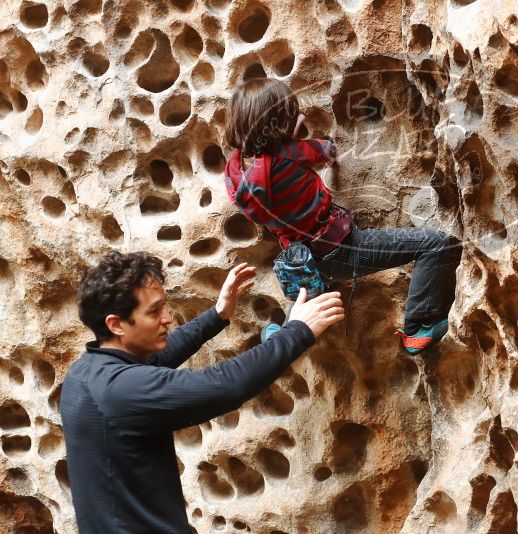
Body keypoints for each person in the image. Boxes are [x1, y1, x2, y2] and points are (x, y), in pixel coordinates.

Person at [61, 251, 343, 533]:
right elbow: (225, 385)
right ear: (116, 324)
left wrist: (217, 315)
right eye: (154, 311)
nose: (167, 318)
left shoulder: (86, 371)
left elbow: (157, 359)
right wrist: (298, 330)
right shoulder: (118, 391)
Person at [223, 77, 462, 354]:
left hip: (301, 261)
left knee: (309, 293)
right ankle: (418, 328)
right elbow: (328, 150)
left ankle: (282, 335)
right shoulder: (290, 154)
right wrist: (298, 134)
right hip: (340, 247)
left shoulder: (234, 173)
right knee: (433, 243)